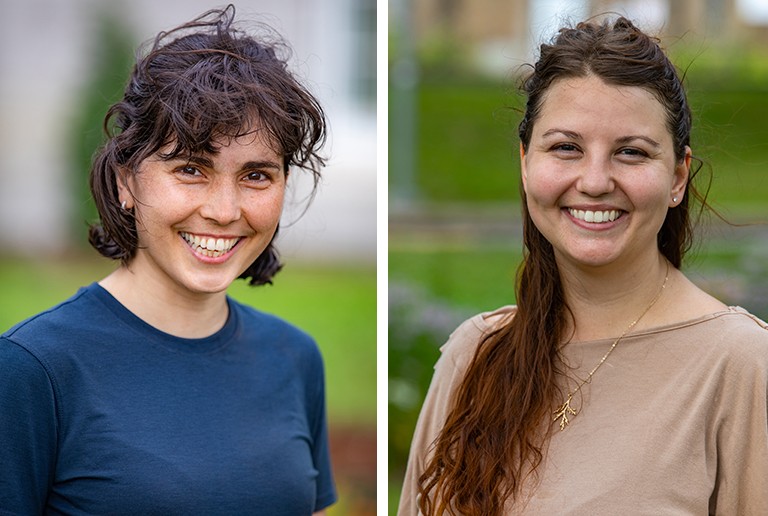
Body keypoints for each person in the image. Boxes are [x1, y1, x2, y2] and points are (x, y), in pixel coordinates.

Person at [399, 16, 768, 516]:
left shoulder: (743, 365)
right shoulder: (473, 357)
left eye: (631, 153)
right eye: (566, 148)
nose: (595, 181)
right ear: (526, 162)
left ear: (677, 177)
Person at [0, 5, 336, 514]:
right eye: (191, 168)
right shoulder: (32, 369)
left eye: (256, 175)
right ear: (126, 181)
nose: (224, 212)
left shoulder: (295, 358)